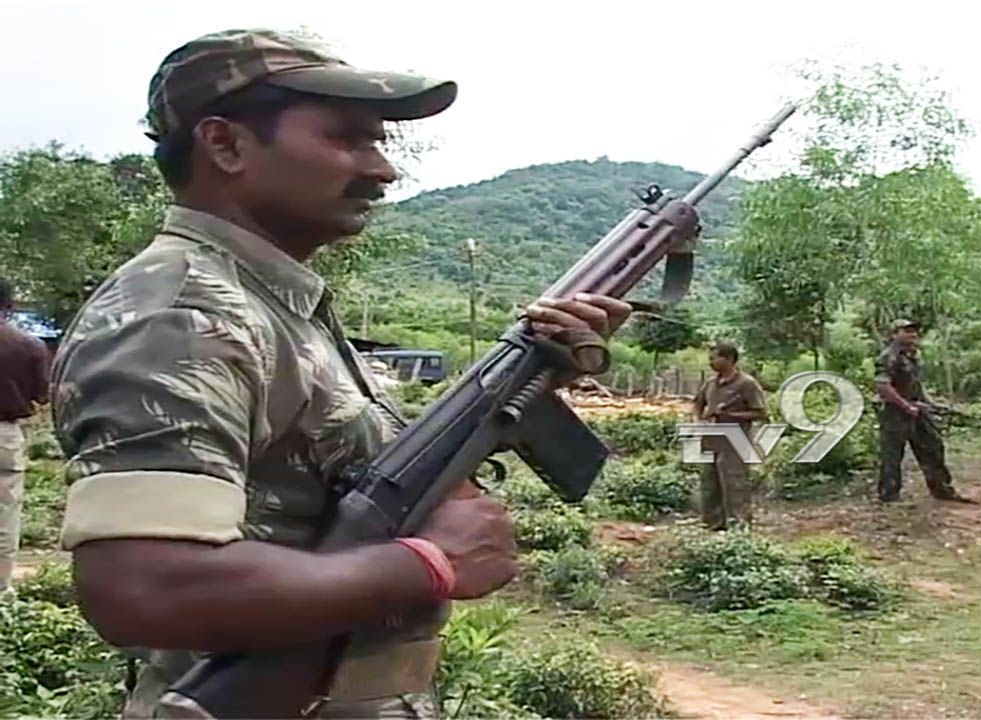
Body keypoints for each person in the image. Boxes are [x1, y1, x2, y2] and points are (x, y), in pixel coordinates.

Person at [50, 29, 630, 719]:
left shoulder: (271, 304)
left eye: (378, 143)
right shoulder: (179, 315)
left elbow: (332, 482)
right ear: (225, 144)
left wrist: (534, 378)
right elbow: (145, 589)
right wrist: (426, 566)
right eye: (348, 139)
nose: (383, 170)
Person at [874, 319, 971, 504]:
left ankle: (943, 491)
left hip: (917, 410)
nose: (913, 334)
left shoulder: (913, 356)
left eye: (915, 331)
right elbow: (883, 387)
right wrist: (906, 406)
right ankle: (889, 497)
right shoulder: (889, 356)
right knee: (892, 455)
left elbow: (915, 384)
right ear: (895, 334)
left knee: (933, 447)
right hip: (895, 413)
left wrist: (927, 403)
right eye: (907, 331)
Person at [0, 279, 51, 592]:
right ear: (9, 305)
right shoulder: (29, 344)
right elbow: (41, 396)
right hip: (5, 436)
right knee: (5, 518)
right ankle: (2, 590)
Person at [692, 342, 768, 529]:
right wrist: (698, 420)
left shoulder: (746, 384)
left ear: (729, 359)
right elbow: (697, 404)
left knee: (735, 484)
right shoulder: (710, 383)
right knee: (709, 483)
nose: (710, 362)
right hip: (711, 439)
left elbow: (761, 414)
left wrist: (729, 415)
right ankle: (712, 524)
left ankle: (738, 525)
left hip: (736, 442)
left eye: (714, 358)